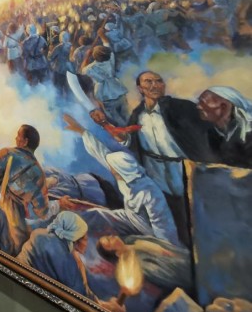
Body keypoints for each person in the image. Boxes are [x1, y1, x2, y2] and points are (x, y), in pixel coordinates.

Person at [125, 71, 216, 244]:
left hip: (181, 166)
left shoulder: (181, 108)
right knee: (170, 213)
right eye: (148, 82)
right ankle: (181, 248)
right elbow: (132, 144)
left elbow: (206, 133)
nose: (155, 85)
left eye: (159, 81)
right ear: (140, 88)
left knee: (193, 208)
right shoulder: (137, 116)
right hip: (155, 170)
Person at [63, 114, 180, 246]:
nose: (110, 167)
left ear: (121, 171)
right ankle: (66, 225)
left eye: (112, 167)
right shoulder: (124, 174)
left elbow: (163, 228)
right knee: (97, 214)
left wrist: (165, 248)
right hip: (129, 216)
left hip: (146, 230)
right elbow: (101, 152)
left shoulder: (150, 193)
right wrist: (81, 130)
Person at [0, 125, 49, 249]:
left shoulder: (7, 153)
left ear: (25, 141)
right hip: (16, 225)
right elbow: (42, 211)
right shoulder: (40, 174)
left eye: (18, 135)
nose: (16, 138)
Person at [197, 86, 252, 168]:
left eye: (203, 102)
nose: (198, 106)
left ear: (224, 107)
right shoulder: (211, 134)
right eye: (199, 102)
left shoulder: (249, 134)